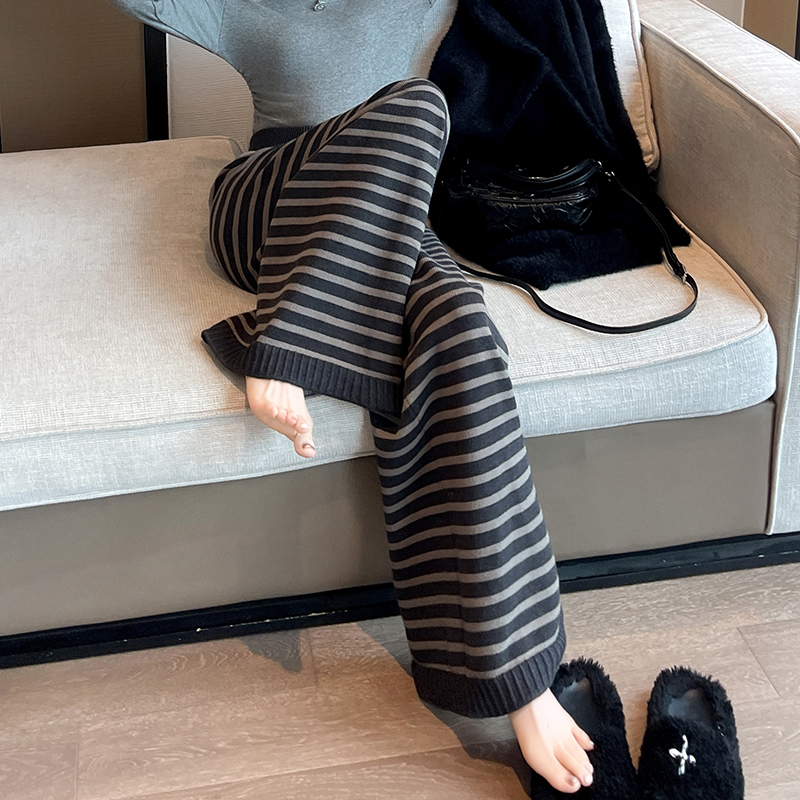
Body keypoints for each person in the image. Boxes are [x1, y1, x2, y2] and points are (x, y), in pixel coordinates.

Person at [106, 0, 595, 792]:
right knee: (418, 104)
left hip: (384, 222)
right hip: (270, 200)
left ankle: (518, 679)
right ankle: (284, 352)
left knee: (459, 316)